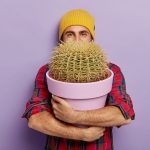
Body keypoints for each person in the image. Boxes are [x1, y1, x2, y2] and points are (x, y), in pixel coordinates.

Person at [22, 9, 135, 150]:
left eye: (83, 33)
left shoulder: (110, 71)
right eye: (70, 34)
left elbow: (124, 115)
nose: (77, 40)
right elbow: (35, 119)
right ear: (61, 39)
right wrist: (80, 134)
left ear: (91, 38)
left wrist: (74, 116)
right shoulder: (47, 71)